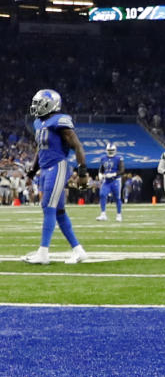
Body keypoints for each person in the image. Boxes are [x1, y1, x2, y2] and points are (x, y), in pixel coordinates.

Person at [21, 89, 89, 264]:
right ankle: (78, 250)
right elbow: (40, 149)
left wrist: (82, 173)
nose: (35, 107)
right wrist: (32, 170)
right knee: (58, 211)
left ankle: (43, 253)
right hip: (45, 169)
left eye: (39, 103)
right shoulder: (38, 123)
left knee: (48, 207)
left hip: (57, 167)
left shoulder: (60, 120)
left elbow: (78, 146)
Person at [96, 143, 124, 222]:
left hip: (116, 180)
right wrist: (100, 175)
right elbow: (101, 169)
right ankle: (103, 214)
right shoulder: (103, 158)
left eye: (112, 150)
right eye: (109, 150)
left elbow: (122, 170)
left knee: (117, 198)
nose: (111, 152)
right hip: (106, 181)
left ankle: (119, 214)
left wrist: (113, 174)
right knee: (102, 194)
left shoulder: (119, 158)